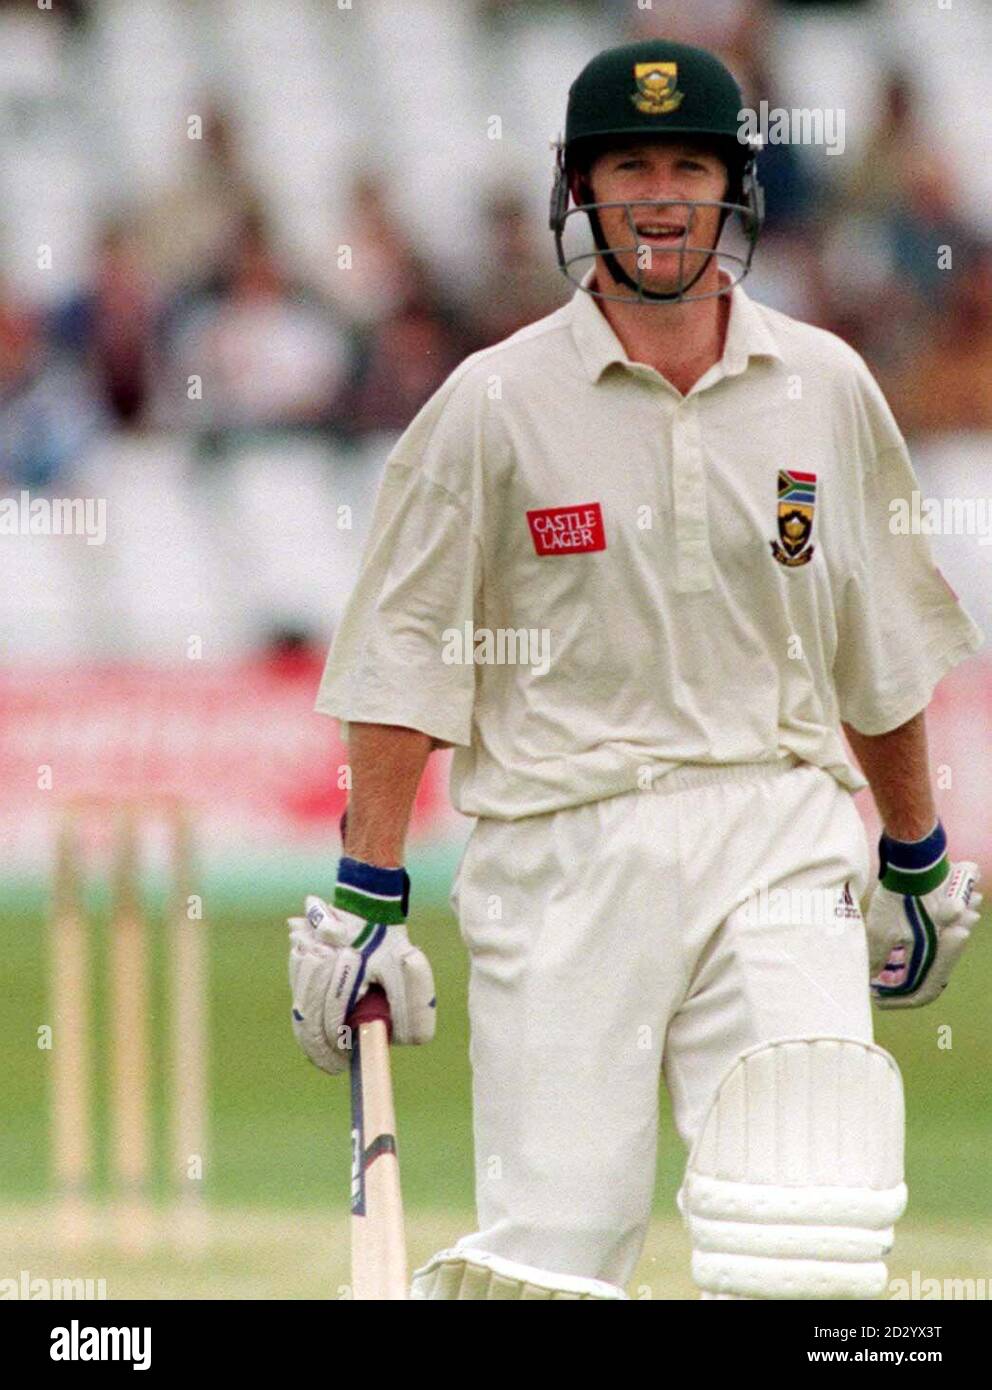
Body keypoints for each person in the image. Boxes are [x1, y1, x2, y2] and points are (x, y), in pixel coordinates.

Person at [287, 40, 983, 1301]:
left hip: (776, 827)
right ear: (579, 191)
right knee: (559, 1254)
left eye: (686, 165)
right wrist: (362, 893)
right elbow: (402, 662)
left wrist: (915, 853)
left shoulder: (821, 384)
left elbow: (877, 648)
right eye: (628, 166)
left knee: (806, 1223)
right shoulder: (490, 405)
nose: (659, 195)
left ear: (734, 190)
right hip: (562, 852)